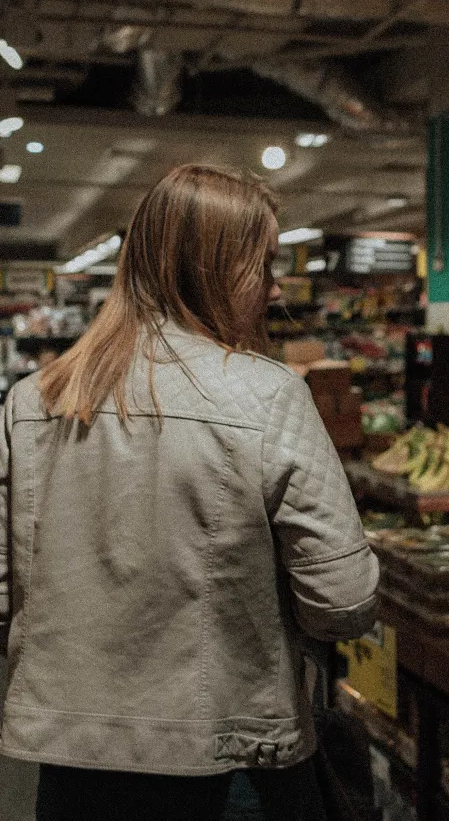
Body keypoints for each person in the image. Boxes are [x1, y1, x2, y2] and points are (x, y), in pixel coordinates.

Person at [0, 164, 380, 820]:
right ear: (213, 268)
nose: (274, 285)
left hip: (74, 758)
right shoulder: (267, 394)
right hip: (228, 756)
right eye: (263, 263)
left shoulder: (32, 401)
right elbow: (342, 601)